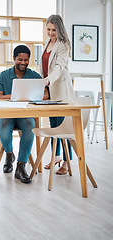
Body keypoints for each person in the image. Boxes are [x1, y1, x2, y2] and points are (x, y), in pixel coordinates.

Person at [0, 45, 45, 184]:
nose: (23, 63)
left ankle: (21, 167)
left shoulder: (34, 76)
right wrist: (12, 96)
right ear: (14, 59)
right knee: (4, 127)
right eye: (20, 59)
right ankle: (9, 155)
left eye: (26, 60)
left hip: (25, 115)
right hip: (7, 114)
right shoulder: (4, 75)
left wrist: (33, 96)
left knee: (30, 125)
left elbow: (45, 94)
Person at [40, 14, 76, 175]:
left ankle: (67, 162)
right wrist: (43, 82)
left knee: (63, 127)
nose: (51, 32)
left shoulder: (64, 44)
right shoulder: (48, 42)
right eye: (48, 29)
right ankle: (56, 156)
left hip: (60, 90)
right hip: (49, 91)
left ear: (59, 29)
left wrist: (48, 80)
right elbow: (44, 64)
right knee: (53, 125)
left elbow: (59, 67)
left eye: (54, 30)